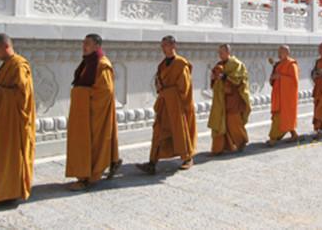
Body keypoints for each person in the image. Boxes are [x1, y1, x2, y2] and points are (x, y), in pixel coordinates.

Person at [0, 33, 36, 203]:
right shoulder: (6, 65)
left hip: (14, 120)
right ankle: (1, 189)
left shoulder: (19, 65)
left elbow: (22, 95)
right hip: (2, 117)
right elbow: (5, 88)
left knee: (10, 155)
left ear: (6, 47)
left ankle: (10, 192)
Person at [65, 34, 122, 191]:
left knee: (93, 143)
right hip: (83, 112)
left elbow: (106, 92)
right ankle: (112, 161)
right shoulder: (87, 62)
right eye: (83, 43)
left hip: (93, 113)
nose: (84, 46)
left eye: (88, 43)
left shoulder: (102, 64)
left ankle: (88, 177)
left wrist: (83, 95)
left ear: (97, 46)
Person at [136, 36, 196, 174]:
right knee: (158, 131)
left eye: (166, 45)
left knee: (180, 131)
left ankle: (188, 157)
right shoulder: (162, 65)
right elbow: (159, 82)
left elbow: (185, 88)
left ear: (173, 45)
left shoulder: (181, 64)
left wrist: (167, 92)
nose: (163, 48)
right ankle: (152, 162)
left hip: (177, 105)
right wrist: (159, 87)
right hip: (165, 104)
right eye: (162, 46)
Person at [207, 44, 252, 155]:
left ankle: (241, 142)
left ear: (228, 52)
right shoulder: (219, 65)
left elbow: (239, 79)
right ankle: (219, 148)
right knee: (220, 122)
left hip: (233, 98)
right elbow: (215, 81)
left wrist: (225, 77)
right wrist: (213, 78)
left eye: (222, 52)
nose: (220, 55)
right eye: (219, 53)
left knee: (233, 122)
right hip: (221, 99)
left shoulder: (236, 64)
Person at [267, 45, 299, 146]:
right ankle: (294, 134)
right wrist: (273, 77)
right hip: (278, 95)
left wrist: (280, 77)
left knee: (280, 117)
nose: (278, 54)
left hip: (286, 97)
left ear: (287, 53)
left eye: (281, 52)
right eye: (278, 52)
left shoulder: (291, 64)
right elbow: (276, 74)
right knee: (285, 117)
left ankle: (273, 137)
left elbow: (294, 81)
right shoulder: (280, 64)